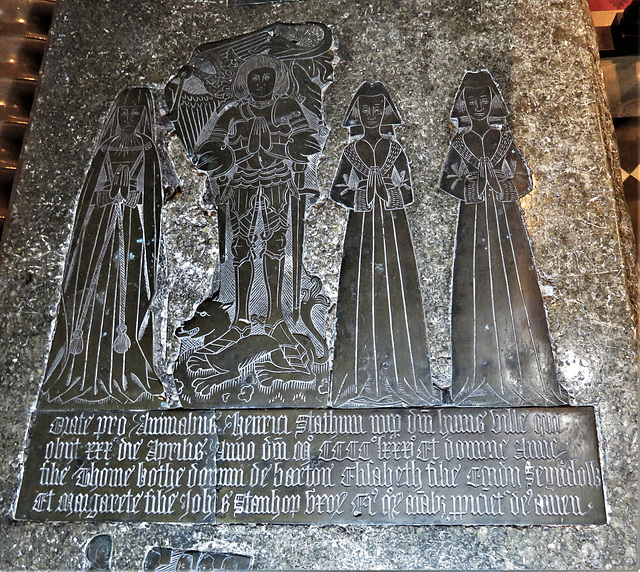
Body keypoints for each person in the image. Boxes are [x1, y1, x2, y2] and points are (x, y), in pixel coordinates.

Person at [439, 70, 567, 406]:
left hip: (505, 217)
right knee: (475, 282)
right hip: (473, 222)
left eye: (483, 99)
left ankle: (526, 373)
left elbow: (524, 178)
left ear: (492, 102)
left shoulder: (504, 140)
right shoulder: (460, 143)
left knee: (514, 282)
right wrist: (467, 187)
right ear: (463, 105)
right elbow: (448, 181)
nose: (478, 105)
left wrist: (509, 185)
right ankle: (479, 374)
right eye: (472, 100)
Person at [41, 88, 164, 406]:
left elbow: (152, 202)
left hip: (132, 238)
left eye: (134, 114)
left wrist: (134, 201)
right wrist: (107, 198)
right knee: (90, 298)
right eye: (123, 113)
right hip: (97, 240)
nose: (128, 119)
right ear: (116, 115)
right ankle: (80, 372)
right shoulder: (105, 150)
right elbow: (87, 202)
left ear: (142, 117)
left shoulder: (147, 150)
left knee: (127, 298)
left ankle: (122, 373)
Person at [330, 81, 439, 407]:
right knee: (360, 294)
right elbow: (338, 191)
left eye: (378, 108)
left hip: (393, 229)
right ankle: (360, 380)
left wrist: (388, 192)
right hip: (362, 229)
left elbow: (407, 192)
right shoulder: (352, 152)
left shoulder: (395, 150)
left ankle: (403, 377)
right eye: (367, 109)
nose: (373, 114)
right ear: (358, 113)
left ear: (386, 112)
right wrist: (361, 193)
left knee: (397, 295)